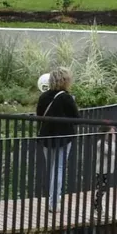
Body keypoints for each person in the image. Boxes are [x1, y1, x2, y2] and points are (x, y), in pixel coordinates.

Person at [36, 67, 80, 213]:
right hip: (63, 138)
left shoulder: (43, 97)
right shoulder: (66, 98)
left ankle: (53, 199)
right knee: (59, 169)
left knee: (52, 168)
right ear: (65, 81)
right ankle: (54, 202)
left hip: (46, 137)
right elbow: (76, 119)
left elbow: (39, 115)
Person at [92, 126, 117, 215]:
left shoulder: (108, 143)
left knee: (104, 189)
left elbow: (113, 153)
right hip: (101, 170)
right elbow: (110, 151)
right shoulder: (100, 143)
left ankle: (97, 207)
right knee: (101, 189)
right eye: (110, 134)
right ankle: (97, 207)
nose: (113, 136)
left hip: (108, 170)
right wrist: (113, 142)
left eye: (114, 134)